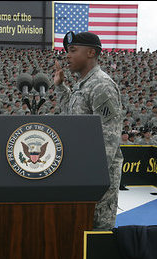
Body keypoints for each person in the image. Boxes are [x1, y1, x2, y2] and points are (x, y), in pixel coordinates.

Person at [54, 31, 123, 230]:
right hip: (82, 173)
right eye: (67, 51)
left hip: (97, 180)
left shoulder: (102, 85)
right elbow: (71, 115)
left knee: (97, 233)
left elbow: (108, 138)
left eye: (73, 50)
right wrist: (60, 86)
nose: (68, 55)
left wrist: (91, 180)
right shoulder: (82, 84)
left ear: (91, 53)